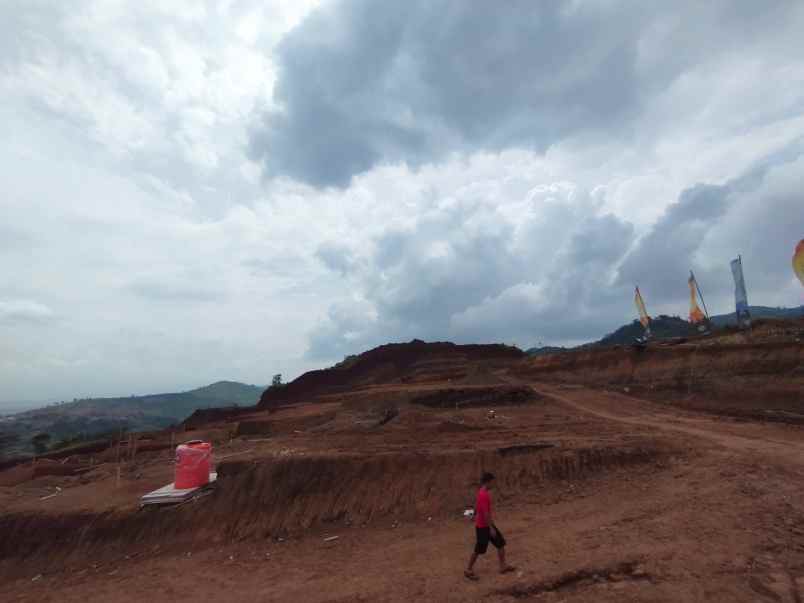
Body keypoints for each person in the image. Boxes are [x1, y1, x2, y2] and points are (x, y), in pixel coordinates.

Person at [465, 472, 514, 580]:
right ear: (489, 481)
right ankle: (468, 569)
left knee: (500, 543)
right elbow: (486, 513)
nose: (494, 484)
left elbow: (477, 506)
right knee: (479, 549)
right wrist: (491, 528)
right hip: (484, 527)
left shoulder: (481, 492)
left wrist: (472, 515)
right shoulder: (484, 495)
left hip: (484, 525)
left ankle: (503, 566)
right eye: (493, 482)